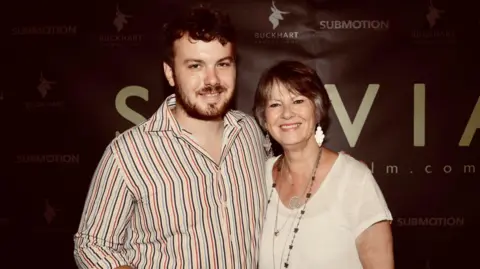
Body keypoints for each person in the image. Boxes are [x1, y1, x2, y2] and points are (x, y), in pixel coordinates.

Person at [74, 5, 268, 269]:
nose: (212, 80)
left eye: (222, 64)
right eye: (195, 65)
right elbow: (92, 244)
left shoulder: (250, 133)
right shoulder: (128, 153)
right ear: (170, 73)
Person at [253, 60, 394, 269]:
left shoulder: (354, 179)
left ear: (317, 109)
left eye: (298, 101)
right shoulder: (257, 177)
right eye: (275, 104)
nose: (287, 113)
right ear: (265, 119)